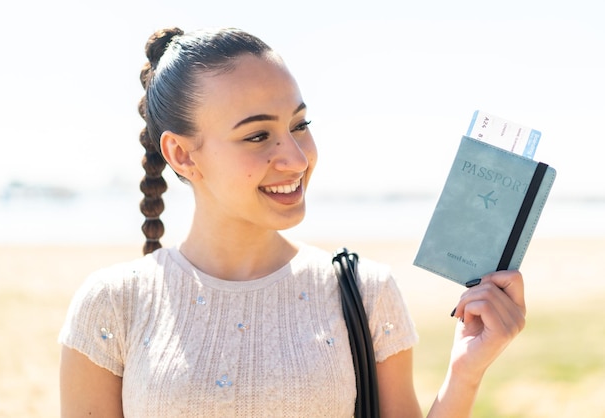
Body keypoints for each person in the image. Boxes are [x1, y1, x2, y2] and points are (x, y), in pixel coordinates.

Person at [58, 27, 526, 417]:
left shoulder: (366, 293)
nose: (296, 158)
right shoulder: (113, 305)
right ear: (181, 154)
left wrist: (465, 373)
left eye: (299, 126)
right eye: (259, 135)